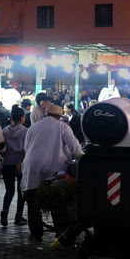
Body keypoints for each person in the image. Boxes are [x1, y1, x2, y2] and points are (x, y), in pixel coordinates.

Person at [20, 103, 82, 242]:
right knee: (57, 200)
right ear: (59, 116)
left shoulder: (33, 127)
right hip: (54, 167)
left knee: (33, 201)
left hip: (32, 167)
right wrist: (83, 158)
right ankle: (61, 232)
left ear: (46, 114)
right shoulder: (62, 126)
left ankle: (36, 234)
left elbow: (26, 148)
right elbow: (74, 147)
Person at [0, 106, 28, 227]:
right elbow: (25, 149)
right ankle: (18, 216)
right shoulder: (25, 131)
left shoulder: (4, 130)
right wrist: (19, 163)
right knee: (21, 191)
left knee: (9, 191)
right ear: (22, 117)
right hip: (20, 164)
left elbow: (2, 148)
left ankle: (4, 212)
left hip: (7, 163)